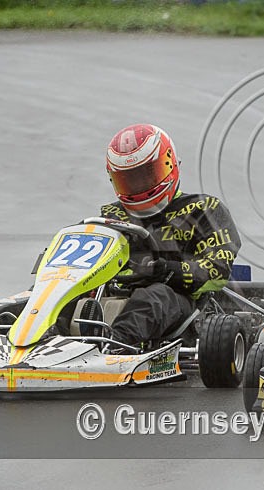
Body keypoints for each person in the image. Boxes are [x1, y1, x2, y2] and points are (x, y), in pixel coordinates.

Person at [101, 123, 241, 348]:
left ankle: (113, 347)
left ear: (169, 163)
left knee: (154, 297)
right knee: (45, 299)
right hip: (112, 294)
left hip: (178, 300)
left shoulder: (203, 209)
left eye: (145, 175)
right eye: (129, 179)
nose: (138, 186)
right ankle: (36, 344)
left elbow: (217, 272)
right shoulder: (109, 216)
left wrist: (167, 271)